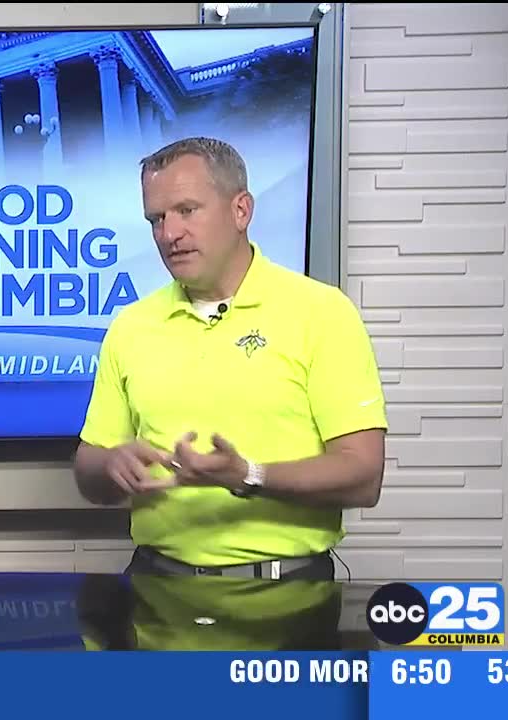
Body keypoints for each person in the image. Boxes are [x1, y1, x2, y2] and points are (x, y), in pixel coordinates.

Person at [74, 136, 387, 582]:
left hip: (284, 591)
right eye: (156, 219)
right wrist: (110, 465)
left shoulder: (322, 313)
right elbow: (89, 470)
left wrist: (247, 475)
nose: (169, 234)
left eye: (186, 210)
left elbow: (363, 476)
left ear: (241, 210)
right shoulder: (131, 326)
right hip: (155, 585)